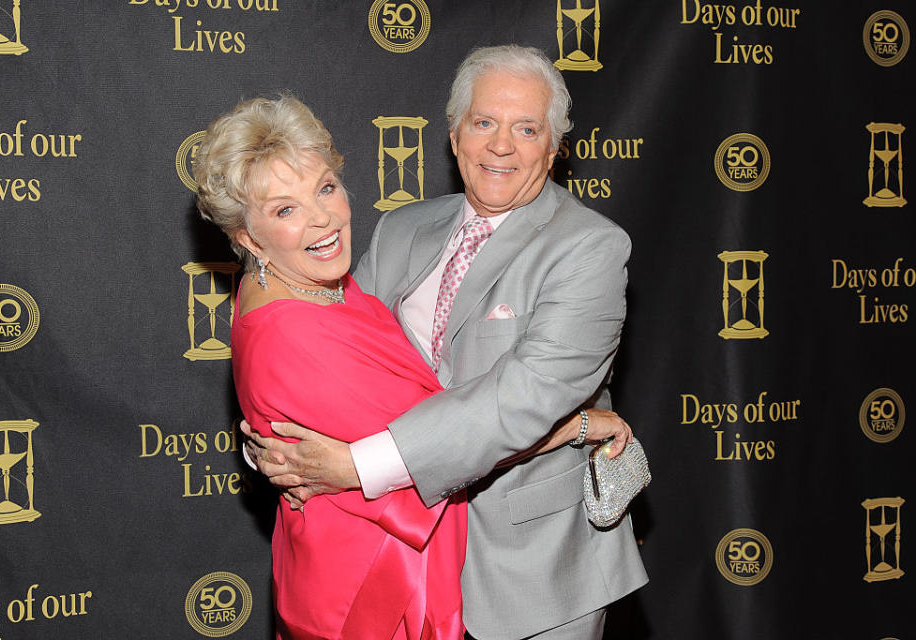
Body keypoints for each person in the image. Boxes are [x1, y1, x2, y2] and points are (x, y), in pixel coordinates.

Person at [243, 45, 648, 639]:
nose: (501, 145)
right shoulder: (401, 228)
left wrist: (356, 465)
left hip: (528, 572)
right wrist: (277, 444)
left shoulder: (590, 248)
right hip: (400, 564)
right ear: (454, 136)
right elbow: (328, 355)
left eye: (526, 128)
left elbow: (523, 399)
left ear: (556, 148)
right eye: (483, 122)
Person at [194, 95, 471, 639]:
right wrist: (573, 424)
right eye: (284, 209)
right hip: (373, 589)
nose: (323, 218)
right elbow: (454, 441)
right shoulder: (293, 329)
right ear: (249, 238)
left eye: (324, 187)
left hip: (335, 554)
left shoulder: (293, 284)